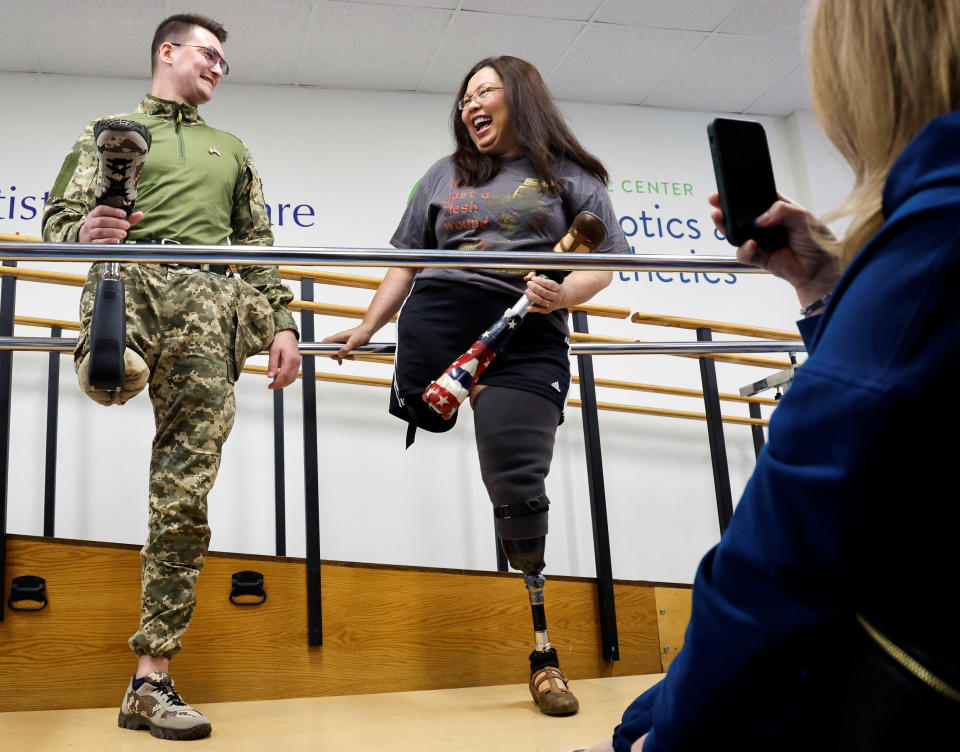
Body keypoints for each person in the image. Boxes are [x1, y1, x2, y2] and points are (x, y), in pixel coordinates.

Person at [583, 1, 960, 750]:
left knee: (641, 725)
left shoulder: (935, 236)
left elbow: (777, 561)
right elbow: (907, 413)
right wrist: (824, 290)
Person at [325, 55, 629, 716]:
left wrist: (559, 293)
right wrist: (368, 323)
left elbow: (600, 267)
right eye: (465, 99)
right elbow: (405, 260)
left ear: (520, 97)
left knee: (518, 488)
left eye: (484, 92)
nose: (470, 106)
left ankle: (544, 653)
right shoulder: (443, 175)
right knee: (427, 416)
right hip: (439, 320)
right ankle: (435, 396)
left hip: (528, 327)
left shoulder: (574, 179)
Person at [42, 13, 300, 741]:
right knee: (110, 370)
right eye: (208, 54)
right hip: (132, 279)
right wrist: (83, 230)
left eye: (224, 59)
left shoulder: (232, 149)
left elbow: (256, 243)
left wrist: (281, 320)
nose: (219, 67)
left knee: (183, 498)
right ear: (168, 52)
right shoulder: (110, 130)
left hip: (211, 304)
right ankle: (109, 361)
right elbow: (57, 220)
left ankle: (149, 682)